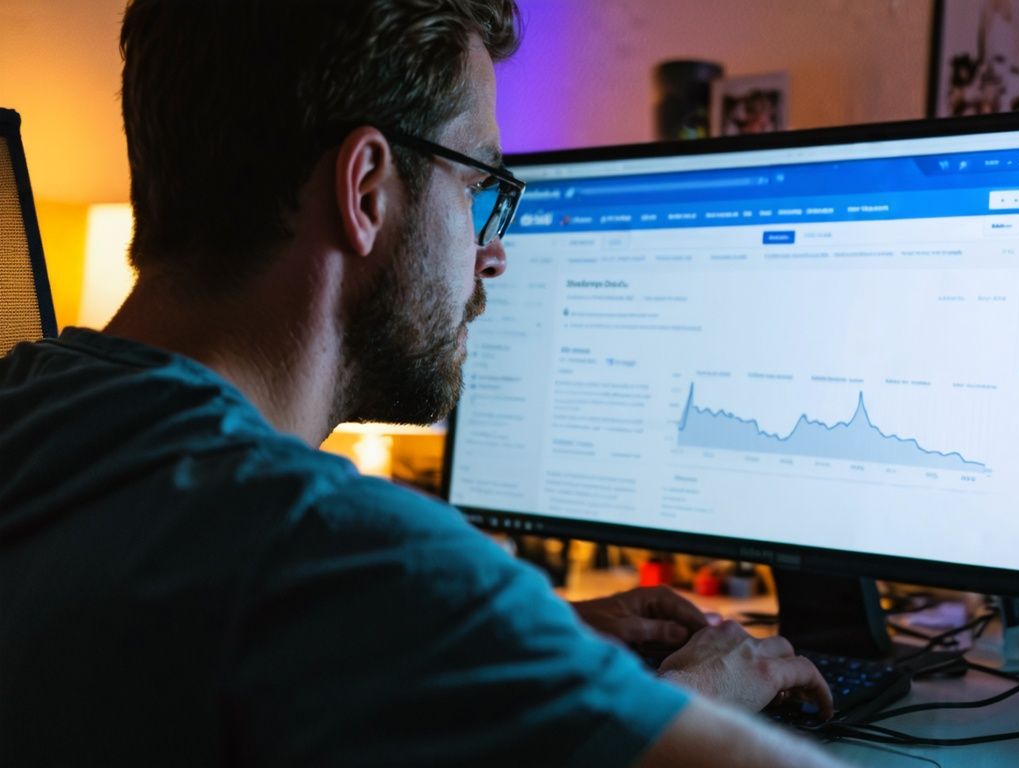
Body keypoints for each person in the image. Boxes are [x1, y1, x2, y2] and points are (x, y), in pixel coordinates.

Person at [0, 1, 846, 765]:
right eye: (478, 186)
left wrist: (524, 648)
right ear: (366, 190)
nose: (493, 251)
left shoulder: (32, 412)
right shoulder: (349, 560)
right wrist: (686, 698)